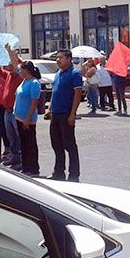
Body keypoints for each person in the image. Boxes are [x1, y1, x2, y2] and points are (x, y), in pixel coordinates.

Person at [45, 49, 83, 182]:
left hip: (66, 114)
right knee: (56, 144)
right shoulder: (58, 73)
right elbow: (54, 93)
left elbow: (78, 94)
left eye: (60, 57)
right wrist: (49, 109)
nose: (58, 60)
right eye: (57, 57)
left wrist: (73, 114)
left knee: (70, 145)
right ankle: (58, 172)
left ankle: (74, 174)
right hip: (55, 114)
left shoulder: (75, 73)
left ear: (69, 59)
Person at [8, 44, 41, 177]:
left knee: (30, 144)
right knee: (23, 144)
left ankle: (33, 168)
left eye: (22, 70)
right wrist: (10, 52)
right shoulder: (24, 80)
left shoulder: (34, 83)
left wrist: (28, 118)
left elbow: (34, 103)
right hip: (19, 118)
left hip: (28, 119)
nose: (20, 71)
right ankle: (26, 167)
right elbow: (16, 65)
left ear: (27, 70)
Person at [0, 59, 23, 168]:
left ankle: (22, 160)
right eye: (8, 66)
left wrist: (12, 54)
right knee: (11, 136)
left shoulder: (20, 77)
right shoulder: (9, 75)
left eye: (11, 66)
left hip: (16, 111)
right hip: (7, 110)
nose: (9, 68)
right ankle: (14, 157)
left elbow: (19, 63)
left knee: (19, 136)